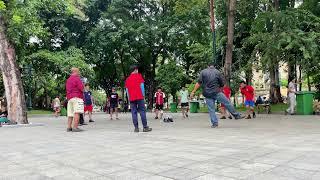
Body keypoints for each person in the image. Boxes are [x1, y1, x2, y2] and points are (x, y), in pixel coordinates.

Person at [191, 63, 242, 128]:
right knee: (227, 103)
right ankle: (236, 115)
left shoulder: (203, 72)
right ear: (214, 66)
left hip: (207, 93)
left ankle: (215, 124)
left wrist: (193, 91)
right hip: (216, 92)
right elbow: (222, 84)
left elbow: (198, 83)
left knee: (211, 109)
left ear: (208, 66)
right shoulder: (217, 72)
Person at [125, 65, 152, 133]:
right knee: (142, 111)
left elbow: (127, 91)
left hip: (132, 98)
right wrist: (143, 96)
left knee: (133, 112)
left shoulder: (127, 79)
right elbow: (142, 87)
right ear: (135, 70)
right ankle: (145, 127)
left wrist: (129, 99)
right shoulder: (139, 76)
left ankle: (136, 128)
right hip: (140, 97)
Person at [66, 67, 84, 132]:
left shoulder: (68, 79)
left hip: (70, 98)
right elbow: (81, 88)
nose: (79, 73)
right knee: (77, 112)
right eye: (79, 71)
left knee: (70, 113)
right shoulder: (77, 78)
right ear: (76, 71)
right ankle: (75, 127)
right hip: (77, 97)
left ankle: (69, 127)